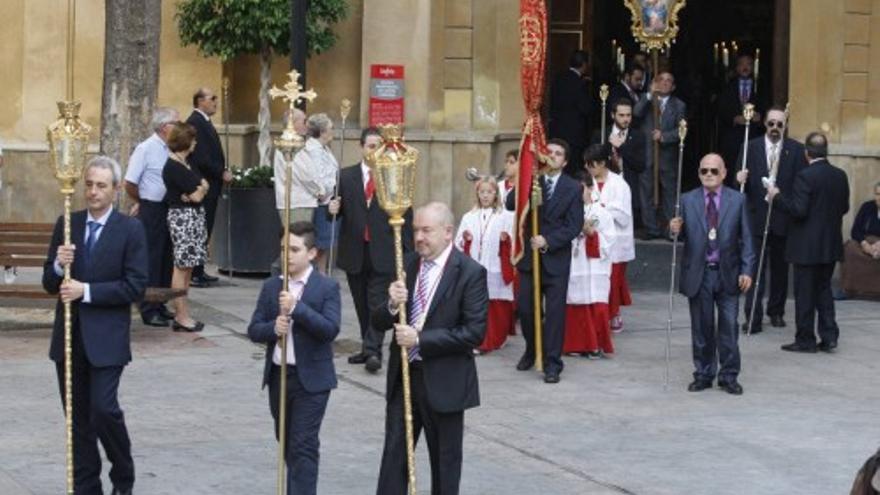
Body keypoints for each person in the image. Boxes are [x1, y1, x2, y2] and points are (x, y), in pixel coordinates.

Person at [42, 156, 148, 495]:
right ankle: (87, 487)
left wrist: (85, 291)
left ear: (116, 190)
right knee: (77, 420)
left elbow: (134, 286)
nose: (93, 192)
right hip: (69, 340)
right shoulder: (68, 223)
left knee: (104, 409)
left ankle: (123, 472)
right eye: (89, 184)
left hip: (107, 339)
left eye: (101, 185)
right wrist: (59, 266)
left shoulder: (130, 229)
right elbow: (48, 281)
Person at [371, 202, 487, 495]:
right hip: (405, 379)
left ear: (448, 232)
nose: (419, 237)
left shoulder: (470, 272)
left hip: (445, 382)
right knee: (394, 456)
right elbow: (378, 320)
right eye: (416, 230)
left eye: (426, 230)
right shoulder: (406, 263)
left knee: (444, 463)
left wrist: (421, 339)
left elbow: (473, 333)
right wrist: (390, 303)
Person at [247, 221, 341, 495]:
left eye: (294, 249)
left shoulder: (326, 288)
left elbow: (329, 330)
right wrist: (272, 329)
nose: (287, 255)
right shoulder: (270, 287)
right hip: (279, 377)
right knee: (286, 442)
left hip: (311, 381)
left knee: (303, 444)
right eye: (283, 249)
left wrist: (297, 308)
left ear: (311, 253)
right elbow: (254, 329)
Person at [328, 127, 414, 374]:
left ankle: (374, 350)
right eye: (371, 146)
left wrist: (408, 253)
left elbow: (405, 213)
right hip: (355, 250)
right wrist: (331, 208)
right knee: (361, 303)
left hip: (383, 250)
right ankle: (368, 347)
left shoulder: (392, 176)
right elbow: (337, 209)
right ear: (362, 147)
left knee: (377, 301)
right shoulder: (345, 176)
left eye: (380, 146)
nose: (375, 151)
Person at [669, 153, 754, 395]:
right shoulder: (687, 199)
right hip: (700, 273)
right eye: (704, 171)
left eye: (714, 171)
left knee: (728, 328)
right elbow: (681, 235)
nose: (708, 175)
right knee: (702, 328)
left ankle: (728, 376)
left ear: (724, 173)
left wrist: (747, 270)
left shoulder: (737, 200)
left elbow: (747, 238)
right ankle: (704, 373)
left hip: (728, 272)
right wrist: (674, 230)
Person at [505, 139, 584, 383]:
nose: (553, 156)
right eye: (549, 152)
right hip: (529, 261)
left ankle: (552, 362)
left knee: (555, 313)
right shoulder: (532, 179)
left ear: (565, 161)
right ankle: (532, 348)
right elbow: (510, 205)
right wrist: (524, 178)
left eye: (558, 154)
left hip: (556, 259)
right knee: (526, 309)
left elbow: (574, 225)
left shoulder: (572, 188)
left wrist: (548, 240)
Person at [767, 132, 850, 353]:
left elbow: (798, 210)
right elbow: (844, 208)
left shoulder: (805, 176)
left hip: (806, 247)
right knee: (824, 291)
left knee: (805, 294)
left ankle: (806, 339)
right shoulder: (840, 175)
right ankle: (829, 336)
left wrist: (776, 197)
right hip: (830, 244)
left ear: (806, 153)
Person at [735, 106, 807, 332]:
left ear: (785, 126)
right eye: (771, 123)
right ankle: (752, 317)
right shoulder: (750, 147)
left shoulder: (796, 150)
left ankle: (776, 311)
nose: (775, 128)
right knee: (754, 270)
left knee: (780, 270)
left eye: (780, 124)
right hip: (756, 218)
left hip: (783, 218)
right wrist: (738, 179)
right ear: (764, 124)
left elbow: (800, 186)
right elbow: (738, 186)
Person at [124, 107, 178, 327]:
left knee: (167, 258)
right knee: (152, 259)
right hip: (152, 209)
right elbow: (130, 182)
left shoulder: (172, 148)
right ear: (165, 127)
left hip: (169, 207)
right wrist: (142, 201)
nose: (180, 126)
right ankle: (148, 307)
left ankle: (160, 302)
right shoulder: (145, 149)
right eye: (177, 122)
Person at [454, 177, 515, 353]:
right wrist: (465, 238)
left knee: (496, 306)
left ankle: (498, 337)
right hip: (475, 265)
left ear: (496, 193)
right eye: (482, 192)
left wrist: (507, 240)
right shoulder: (469, 216)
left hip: (495, 265)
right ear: (477, 194)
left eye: (489, 192)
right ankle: (482, 340)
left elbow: (514, 242)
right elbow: (458, 243)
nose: (486, 196)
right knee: (477, 305)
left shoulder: (505, 216)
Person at [162, 122, 210, 332]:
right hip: (182, 218)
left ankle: (184, 312)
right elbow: (198, 193)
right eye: (193, 139)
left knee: (189, 267)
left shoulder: (188, 162)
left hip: (194, 216)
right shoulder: (173, 166)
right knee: (181, 267)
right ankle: (180, 315)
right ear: (186, 141)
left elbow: (204, 185)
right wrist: (198, 190)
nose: (195, 143)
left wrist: (198, 189)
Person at [583, 143, 635, 333]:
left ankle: (613, 314)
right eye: (587, 165)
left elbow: (623, 216)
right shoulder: (588, 183)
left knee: (613, 281)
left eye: (593, 164)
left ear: (603, 163)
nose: (589, 168)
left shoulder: (619, 184)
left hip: (616, 242)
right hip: (594, 238)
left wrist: (601, 208)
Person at [563, 172, 616, 357]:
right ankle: (575, 345)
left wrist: (592, 233)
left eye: (582, 189)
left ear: (591, 188)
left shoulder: (601, 213)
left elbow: (610, 240)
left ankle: (596, 345)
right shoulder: (566, 210)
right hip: (575, 264)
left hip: (595, 267)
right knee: (575, 303)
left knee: (596, 303)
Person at [281, 113, 339, 273]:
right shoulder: (312, 149)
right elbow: (316, 176)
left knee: (326, 243)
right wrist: (326, 191)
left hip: (328, 199)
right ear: (322, 131)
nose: (332, 132)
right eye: (330, 129)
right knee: (320, 242)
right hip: (321, 200)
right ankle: (319, 275)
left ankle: (322, 274)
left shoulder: (324, 148)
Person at [187, 87, 232, 287]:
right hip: (203, 184)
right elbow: (201, 157)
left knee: (206, 227)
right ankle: (195, 271)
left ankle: (199, 267)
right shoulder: (195, 122)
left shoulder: (204, 121)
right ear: (200, 101)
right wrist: (219, 172)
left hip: (211, 185)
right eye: (212, 98)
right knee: (202, 227)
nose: (216, 102)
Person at [634, 71, 687, 239]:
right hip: (648, 155)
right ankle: (651, 228)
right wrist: (650, 94)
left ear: (673, 86)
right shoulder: (647, 99)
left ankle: (670, 230)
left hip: (667, 157)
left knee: (670, 194)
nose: (664, 83)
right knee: (646, 192)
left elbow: (682, 131)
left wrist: (664, 136)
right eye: (661, 80)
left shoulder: (679, 105)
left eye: (668, 81)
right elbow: (636, 113)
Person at [718, 54, 765, 188]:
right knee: (732, 165)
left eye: (748, 64)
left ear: (753, 67)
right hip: (732, 136)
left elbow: (767, 105)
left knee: (753, 165)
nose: (745, 67)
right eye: (741, 64)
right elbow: (720, 108)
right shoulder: (728, 86)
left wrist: (760, 117)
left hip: (754, 134)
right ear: (737, 68)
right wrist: (734, 118)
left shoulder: (760, 85)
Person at [549, 50, 593, 176]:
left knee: (557, 164)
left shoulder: (558, 78)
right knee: (572, 168)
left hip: (556, 130)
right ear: (584, 65)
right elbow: (585, 108)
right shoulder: (579, 83)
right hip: (574, 134)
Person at [842, 181, 880, 298]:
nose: (879, 197)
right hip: (866, 242)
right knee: (849, 249)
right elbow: (856, 230)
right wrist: (865, 245)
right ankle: (851, 289)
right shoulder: (867, 207)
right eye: (877, 194)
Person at [274, 108, 307, 216]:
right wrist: (319, 191)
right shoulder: (289, 143)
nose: (306, 125)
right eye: (304, 121)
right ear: (293, 123)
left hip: (299, 200)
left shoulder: (297, 141)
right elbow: (302, 174)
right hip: (296, 201)